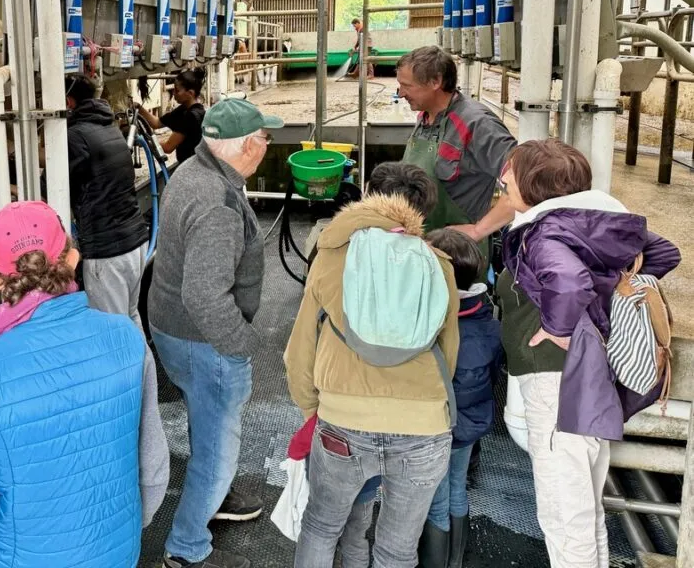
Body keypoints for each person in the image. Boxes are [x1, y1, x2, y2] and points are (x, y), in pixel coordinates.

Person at [0, 201, 169, 568]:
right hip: (117, 548)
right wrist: (124, 529)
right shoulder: (126, 339)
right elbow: (154, 469)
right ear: (73, 258)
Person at [496, 140, 680, 568]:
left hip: (557, 381)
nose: (503, 177)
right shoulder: (591, 225)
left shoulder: (545, 233)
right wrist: (609, 284)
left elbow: (569, 280)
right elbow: (664, 253)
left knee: (564, 515)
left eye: (511, 172)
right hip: (590, 377)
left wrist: (557, 328)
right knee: (584, 508)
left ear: (534, 185)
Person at [285, 162, 460, 568]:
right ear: (423, 211)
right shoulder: (439, 264)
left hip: (343, 421)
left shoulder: (331, 255)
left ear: (368, 194)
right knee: (396, 550)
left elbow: (299, 350)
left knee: (322, 526)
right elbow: (447, 354)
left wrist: (315, 409)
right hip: (424, 428)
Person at [148, 98, 284, 568]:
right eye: (265, 137)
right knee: (217, 448)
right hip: (203, 342)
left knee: (205, 423)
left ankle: (215, 496)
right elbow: (206, 297)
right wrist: (242, 346)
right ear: (247, 145)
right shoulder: (218, 203)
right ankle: (186, 550)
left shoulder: (192, 170)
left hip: (173, 329)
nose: (268, 144)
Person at [418, 229, 501, 568]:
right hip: (470, 425)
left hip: (438, 426)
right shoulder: (489, 323)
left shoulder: (434, 324)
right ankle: (455, 559)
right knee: (456, 488)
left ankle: (433, 561)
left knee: (435, 497)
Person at [396, 46, 517, 255]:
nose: (401, 93)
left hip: (457, 256)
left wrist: (479, 230)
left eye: (407, 86)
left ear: (436, 82)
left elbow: (527, 183)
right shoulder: (425, 116)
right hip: (422, 245)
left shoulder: (477, 124)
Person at [66, 74, 150, 325]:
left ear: (68, 102)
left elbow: (53, 183)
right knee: (130, 316)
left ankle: (136, 365)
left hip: (107, 251)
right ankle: (145, 366)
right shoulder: (109, 127)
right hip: (135, 242)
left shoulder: (75, 135)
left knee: (111, 328)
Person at [136, 67, 207, 164]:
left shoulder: (192, 116)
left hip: (193, 168)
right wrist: (138, 107)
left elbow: (168, 147)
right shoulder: (184, 109)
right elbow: (156, 123)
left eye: (177, 91)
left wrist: (143, 142)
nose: (173, 94)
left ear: (190, 93)